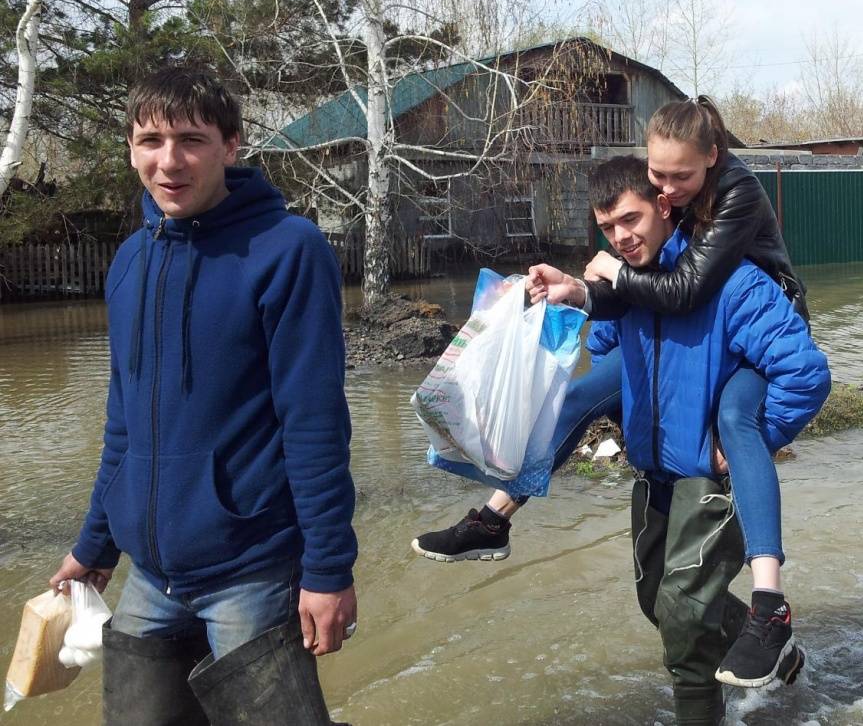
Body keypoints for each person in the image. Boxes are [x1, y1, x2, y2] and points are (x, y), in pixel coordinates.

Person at [412, 97, 814, 685]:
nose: (670, 189)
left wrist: (614, 279)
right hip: (662, 439)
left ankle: (768, 606)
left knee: (734, 419)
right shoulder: (652, 234)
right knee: (579, 401)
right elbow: (614, 323)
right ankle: (495, 516)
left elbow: (690, 288)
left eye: (676, 183)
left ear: (711, 160)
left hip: (760, 318)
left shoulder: (737, 205)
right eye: (659, 176)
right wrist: (573, 292)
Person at [48, 67, 358, 725]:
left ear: (232, 145)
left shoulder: (287, 249)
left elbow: (314, 423)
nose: (168, 161)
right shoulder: (131, 261)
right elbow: (124, 423)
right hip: (150, 578)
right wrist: (95, 545)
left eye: (190, 139)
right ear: (130, 148)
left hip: (252, 572)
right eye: (150, 140)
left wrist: (328, 569)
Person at [581, 156, 830, 720]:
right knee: (658, 603)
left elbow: (806, 374)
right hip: (654, 473)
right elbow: (603, 355)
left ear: (665, 206)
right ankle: (780, 654)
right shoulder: (623, 283)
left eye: (630, 219)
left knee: (687, 617)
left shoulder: (732, 282)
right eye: (607, 227)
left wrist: (747, 445)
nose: (620, 237)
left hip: (705, 480)